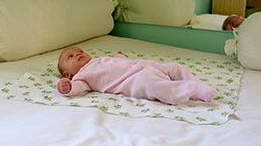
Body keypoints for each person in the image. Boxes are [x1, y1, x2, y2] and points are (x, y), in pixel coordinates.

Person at [56, 46, 217, 105]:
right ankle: (177, 91)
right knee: (152, 86)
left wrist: (121, 57)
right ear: (67, 74)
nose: (77, 54)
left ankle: (201, 89)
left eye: (80, 51)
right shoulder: (81, 77)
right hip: (134, 80)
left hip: (143, 65)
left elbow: (115, 64)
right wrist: (67, 88)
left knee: (174, 68)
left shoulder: (98, 60)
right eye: (70, 57)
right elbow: (79, 88)